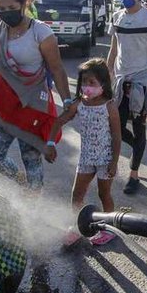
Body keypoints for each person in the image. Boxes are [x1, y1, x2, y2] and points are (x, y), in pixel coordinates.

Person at [0, 0, 72, 192]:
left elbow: (57, 69)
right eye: (1, 9)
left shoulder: (41, 33)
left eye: (11, 8)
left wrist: (67, 101)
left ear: (24, 3)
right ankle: (18, 179)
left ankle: (33, 205)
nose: (6, 14)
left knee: (32, 162)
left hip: (31, 108)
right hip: (2, 106)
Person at [47, 58, 121, 245]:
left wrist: (114, 162)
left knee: (104, 194)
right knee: (77, 194)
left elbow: (116, 136)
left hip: (105, 160)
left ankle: (109, 227)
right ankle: (77, 226)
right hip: (86, 158)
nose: (87, 87)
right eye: (84, 82)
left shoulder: (109, 107)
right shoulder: (78, 104)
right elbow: (58, 121)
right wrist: (50, 143)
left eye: (92, 83)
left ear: (103, 84)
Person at [106, 0, 147, 195]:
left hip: (141, 81)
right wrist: (106, 75)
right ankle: (136, 150)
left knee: (139, 128)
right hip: (120, 80)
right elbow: (113, 48)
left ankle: (134, 174)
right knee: (116, 127)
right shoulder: (117, 16)